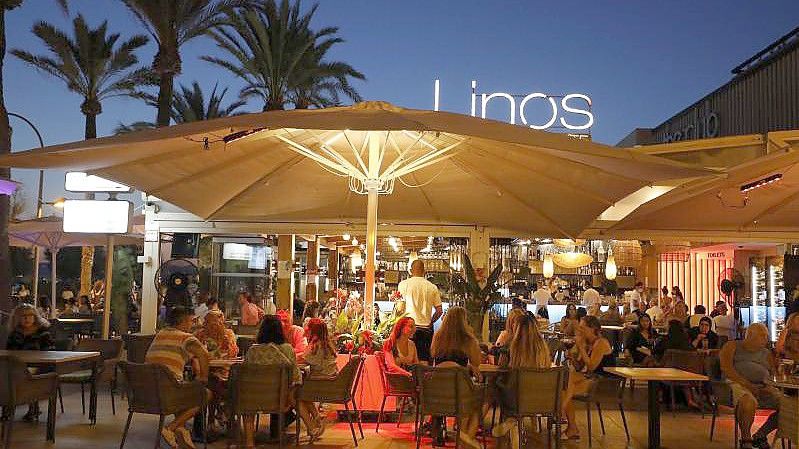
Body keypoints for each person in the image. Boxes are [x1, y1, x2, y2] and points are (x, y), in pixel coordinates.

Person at [245, 315, 318, 445]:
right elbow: (295, 377)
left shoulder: (252, 351)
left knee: (248, 408)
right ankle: (311, 428)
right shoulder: (287, 349)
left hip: (253, 398)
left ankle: (249, 443)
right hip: (279, 399)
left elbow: (246, 375)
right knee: (295, 396)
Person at [145, 306, 210, 449]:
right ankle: (171, 428)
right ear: (184, 321)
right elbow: (204, 355)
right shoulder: (185, 337)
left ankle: (182, 432)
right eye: (191, 321)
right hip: (167, 393)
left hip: (146, 394)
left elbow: (192, 357)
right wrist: (203, 377)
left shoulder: (161, 333)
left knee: (182, 389)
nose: (192, 324)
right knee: (204, 394)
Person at [494, 312, 551, 447]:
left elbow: (501, 368)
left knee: (496, 384)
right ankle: (515, 423)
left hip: (516, 400)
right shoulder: (543, 348)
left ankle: (513, 421)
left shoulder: (512, 347)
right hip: (543, 399)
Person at [720, 323, 781, 449]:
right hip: (737, 383)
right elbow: (727, 369)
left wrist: (769, 386)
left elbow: (774, 374)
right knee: (748, 402)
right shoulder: (732, 346)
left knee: (788, 406)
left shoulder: (766, 353)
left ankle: (761, 434)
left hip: (762, 386)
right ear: (750, 336)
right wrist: (748, 385)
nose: (766, 339)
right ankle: (746, 439)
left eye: (766, 336)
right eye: (763, 336)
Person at [430, 306, 483, 449]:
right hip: (461, 394)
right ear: (464, 320)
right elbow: (477, 363)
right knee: (479, 402)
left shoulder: (438, 337)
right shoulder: (469, 340)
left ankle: (438, 425)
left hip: (437, 393)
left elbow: (433, 356)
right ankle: (464, 437)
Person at [562, 316, 613, 440]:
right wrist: (572, 356)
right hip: (592, 378)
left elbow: (591, 366)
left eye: (582, 328)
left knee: (566, 389)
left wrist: (580, 347)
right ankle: (570, 426)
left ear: (592, 329)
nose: (579, 330)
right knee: (565, 383)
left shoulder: (601, 343)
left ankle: (561, 414)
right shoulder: (588, 343)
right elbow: (580, 367)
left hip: (604, 383)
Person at [6, 304, 54, 421]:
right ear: (17, 318)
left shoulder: (43, 333)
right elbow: (9, 351)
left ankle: (32, 407)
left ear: (35, 317)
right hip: (19, 365)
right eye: (23, 316)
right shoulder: (15, 334)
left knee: (25, 374)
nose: (27, 318)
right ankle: (7, 406)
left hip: (40, 366)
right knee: (6, 372)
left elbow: (50, 352)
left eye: (30, 315)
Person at [299, 318, 337, 441]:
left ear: (312, 330)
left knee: (297, 397)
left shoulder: (316, 345)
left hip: (322, 382)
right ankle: (316, 421)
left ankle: (312, 427)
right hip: (330, 381)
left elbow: (303, 360)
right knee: (302, 395)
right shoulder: (326, 343)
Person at [398, 259, 443, 362]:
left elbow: (399, 308)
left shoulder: (403, 285)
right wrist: (431, 322)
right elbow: (439, 311)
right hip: (425, 329)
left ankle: (408, 377)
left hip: (407, 328)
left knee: (406, 359)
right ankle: (421, 378)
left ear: (410, 270)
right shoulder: (432, 287)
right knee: (423, 361)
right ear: (424, 271)